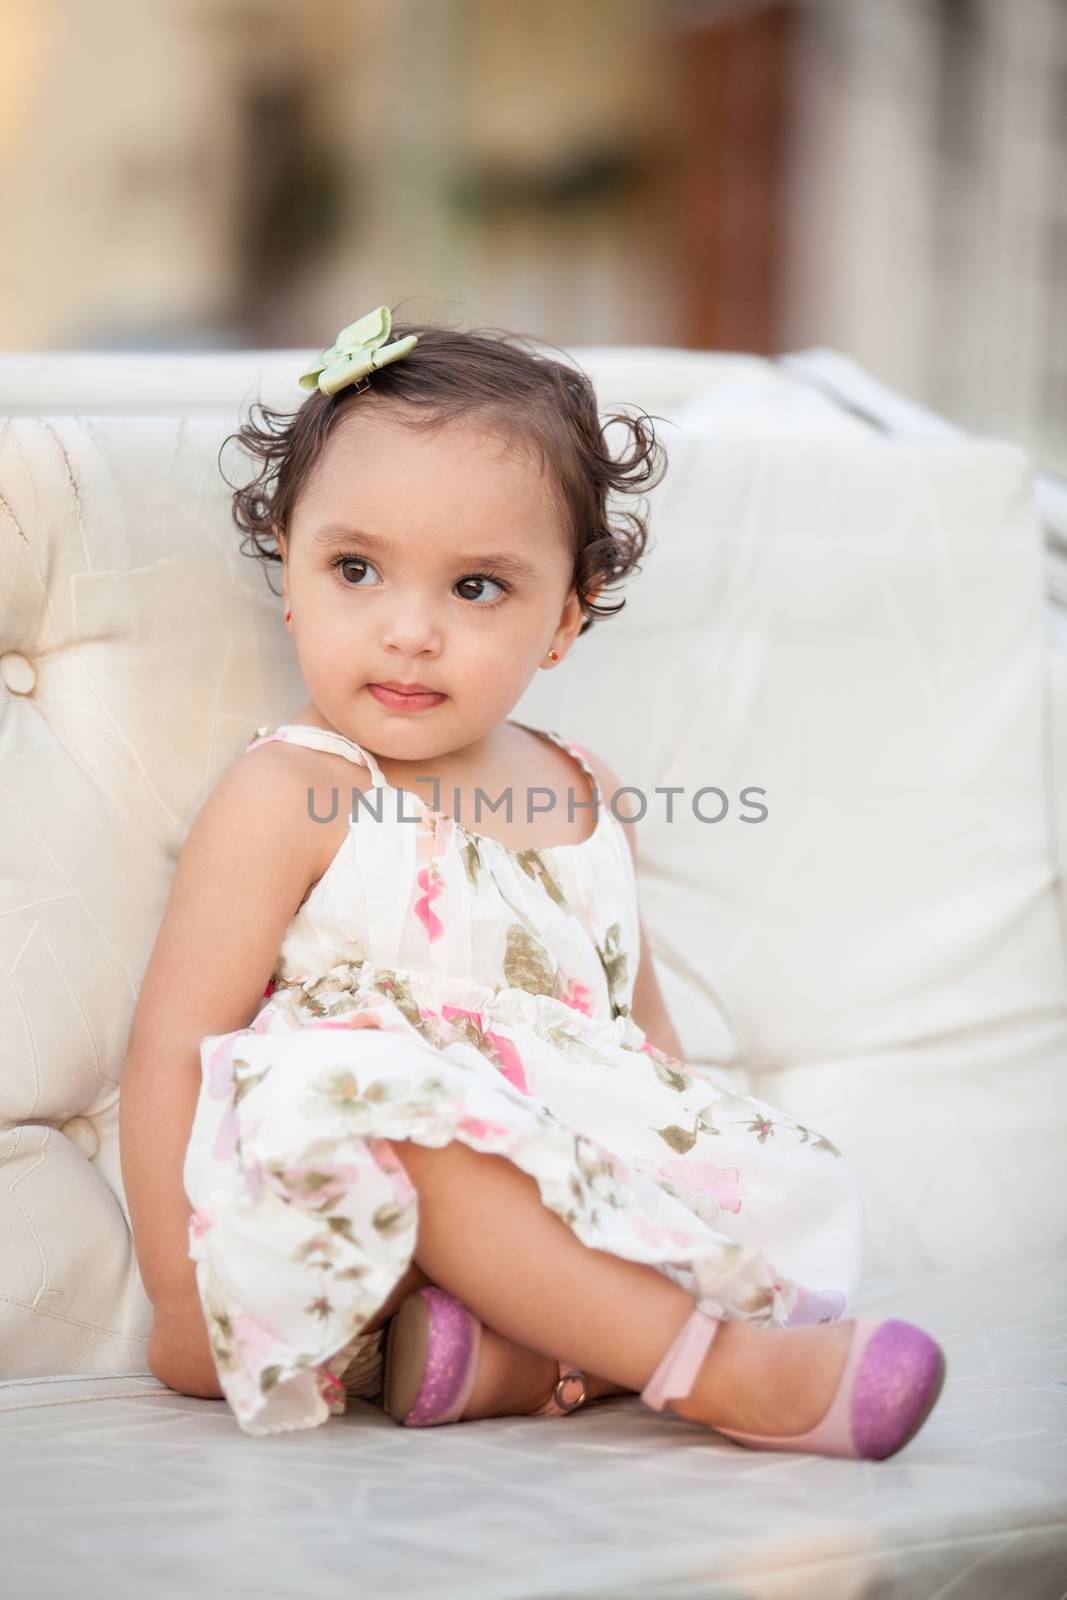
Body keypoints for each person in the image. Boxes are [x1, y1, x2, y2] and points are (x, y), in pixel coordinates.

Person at [119, 304, 946, 1451]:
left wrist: (692, 1183)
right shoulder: (293, 793)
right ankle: (721, 1375)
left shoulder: (586, 792)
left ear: (563, 618)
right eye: (356, 568)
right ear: (290, 573)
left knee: (718, 1177)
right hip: (345, 1199)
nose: (408, 630)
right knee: (425, 1127)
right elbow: (174, 1043)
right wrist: (178, 1293)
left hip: (558, 1198)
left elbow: (638, 1035)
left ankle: (509, 1356)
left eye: (475, 589)